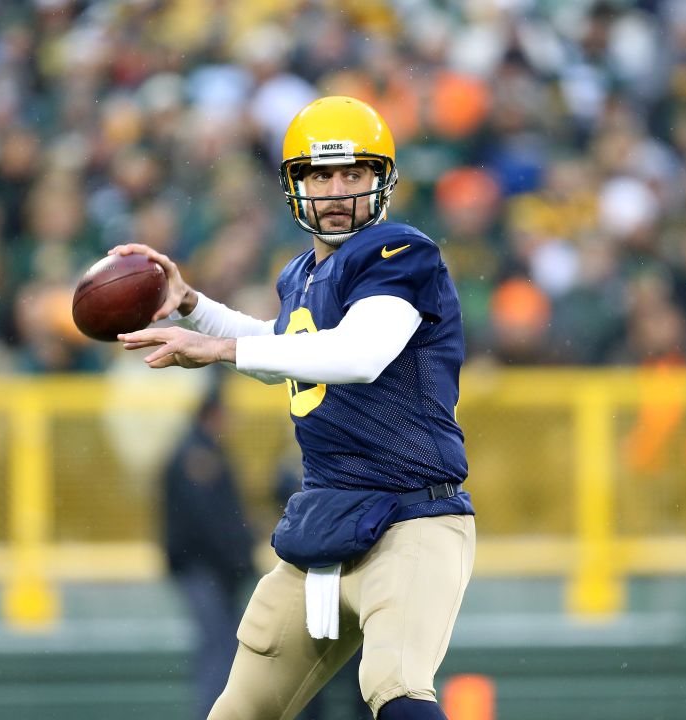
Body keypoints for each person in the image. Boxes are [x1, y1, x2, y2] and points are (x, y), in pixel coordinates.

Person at [111, 96, 475, 720]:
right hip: (328, 521)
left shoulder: (399, 254)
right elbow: (293, 349)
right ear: (295, 185)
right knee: (238, 710)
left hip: (412, 516)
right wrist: (192, 306)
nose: (336, 191)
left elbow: (358, 354)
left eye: (352, 174)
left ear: (380, 180)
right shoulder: (302, 274)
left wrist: (221, 348)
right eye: (320, 175)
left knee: (394, 686)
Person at [161, 378, 258, 720]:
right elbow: (209, 523)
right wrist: (238, 559)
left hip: (211, 570)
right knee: (219, 649)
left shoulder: (205, 452)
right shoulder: (197, 456)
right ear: (212, 415)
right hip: (203, 570)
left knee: (223, 648)